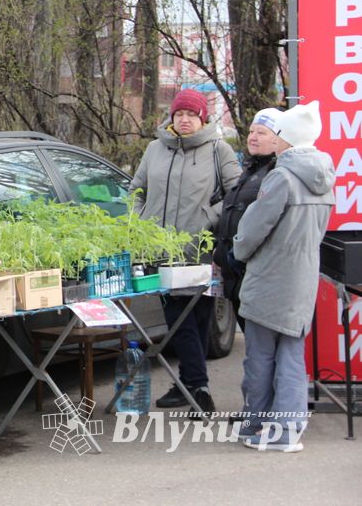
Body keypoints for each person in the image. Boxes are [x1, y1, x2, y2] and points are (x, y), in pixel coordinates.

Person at [130, 88, 241, 415]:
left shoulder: (218, 150)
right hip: (160, 250)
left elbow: (237, 195)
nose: (185, 120)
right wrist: (139, 220)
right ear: (172, 117)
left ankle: (194, 386)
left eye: (191, 115)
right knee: (178, 316)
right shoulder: (154, 149)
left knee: (194, 317)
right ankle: (194, 386)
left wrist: (209, 217)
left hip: (201, 250)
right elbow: (136, 190)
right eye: (179, 114)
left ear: (202, 118)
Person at [232, 101, 335, 452]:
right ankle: (288, 429)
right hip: (303, 277)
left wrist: (238, 252)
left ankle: (259, 427)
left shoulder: (282, 176)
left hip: (270, 278)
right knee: (292, 354)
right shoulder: (325, 176)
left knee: (260, 355)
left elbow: (252, 230)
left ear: (287, 139)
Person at [213, 108, 282, 330]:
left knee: (262, 352)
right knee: (255, 350)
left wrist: (235, 255)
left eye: (261, 132)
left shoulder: (277, 173)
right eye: (251, 131)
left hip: (255, 278)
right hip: (236, 278)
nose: (252, 137)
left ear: (278, 139)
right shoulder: (251, 169)